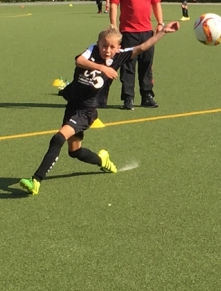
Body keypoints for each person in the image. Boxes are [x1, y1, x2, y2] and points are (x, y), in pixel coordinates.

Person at [18, 23, 179, 196]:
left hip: (86, 110)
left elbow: (142, 47)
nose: (107, 50)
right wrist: (103, 68)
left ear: (118, 47)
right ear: (98, 43)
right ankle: (103, 160)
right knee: (75, 152)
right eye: (104, 46)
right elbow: (79, 61)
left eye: (112, 47)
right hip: (73, 106)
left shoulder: (120, 56)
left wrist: (163, 31)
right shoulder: (92, 50)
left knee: (58, 138)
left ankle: (36, 180)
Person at [107, 0, 164, 109]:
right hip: (128, 32)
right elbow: (114, 4)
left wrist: (160, 22)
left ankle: (147, 96)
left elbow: (156, 3)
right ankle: (128, 98)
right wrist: (113, 25)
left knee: (147, 65)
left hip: (147, 32)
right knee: (128, 66)